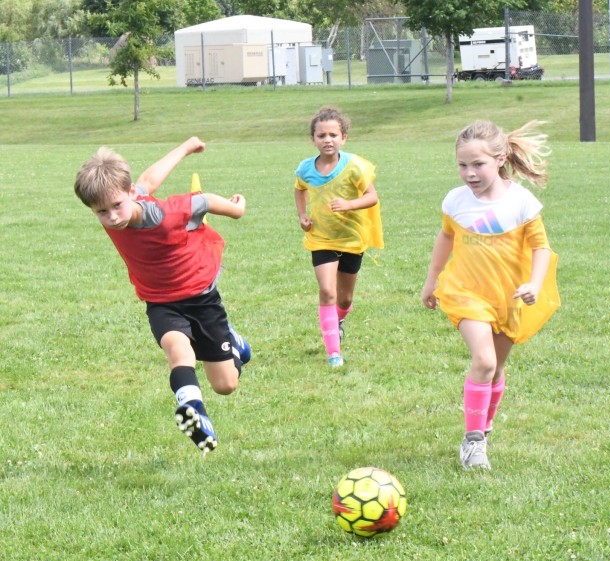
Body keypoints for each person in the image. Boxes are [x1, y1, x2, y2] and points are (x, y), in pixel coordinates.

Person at [74, 137, 251, 455]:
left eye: (117, 206)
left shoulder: (171, 213)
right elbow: (148, 179)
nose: (113, 217)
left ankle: (235, 344)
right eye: (101, 212)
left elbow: (205, 200)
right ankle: (193, 409)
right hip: (160, 302)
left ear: (130, 196)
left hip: (200, 297)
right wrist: (184, 148)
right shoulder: (118, 206)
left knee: (225, 385)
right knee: (177, 350)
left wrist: (236, 209)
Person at [421, 120, 560, 470]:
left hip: (508, 297)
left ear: (499, 159)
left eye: (477, 164)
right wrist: (431, 280)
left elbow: (541, 248)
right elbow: (446, 238)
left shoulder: (522, 201)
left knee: (496, 370)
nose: (469, 173)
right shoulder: (455, 200)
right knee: (483, 361)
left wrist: (534, 283)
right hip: (466, 293)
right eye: (462, 165)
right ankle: (473, 443)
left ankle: (484, 424)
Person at [294, 107, 384, 367]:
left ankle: (340, 320)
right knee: (326, 290)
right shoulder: (305, 169)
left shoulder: (355, 167)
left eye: (333, 134)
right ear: (313, 139)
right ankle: (334, 352)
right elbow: (299, 190)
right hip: (321, 238)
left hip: (352, 239)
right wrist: (302, 215)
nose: (327, 139)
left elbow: (372, 197)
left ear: (343, 137)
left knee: (344, 299)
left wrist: (348, 205)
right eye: (321, 135)